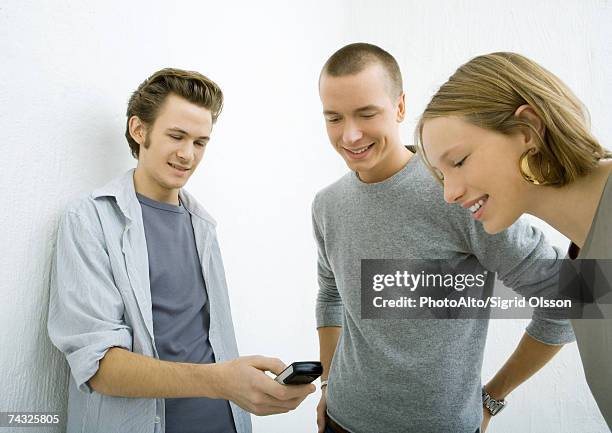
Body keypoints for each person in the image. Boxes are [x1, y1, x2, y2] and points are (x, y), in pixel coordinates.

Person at [313, 43, 576, 433]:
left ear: (400, 107)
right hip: (342, 419)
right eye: (334, 118)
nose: (350, 135)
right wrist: (329, 384)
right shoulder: (327, 205)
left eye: (367, 114)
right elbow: (331, 294)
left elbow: (573, 297)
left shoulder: (458, 191)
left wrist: (492, 396)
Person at [47, 68, 315, 433]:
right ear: (139, 130)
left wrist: (243, 387)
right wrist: (221, 381)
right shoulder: (89, 220)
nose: (188, 155)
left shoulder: (202, 225)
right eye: (177, 136)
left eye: (200, 142)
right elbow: (98, 367)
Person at [417, 51, 612, 429]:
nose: (449, 194)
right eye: (441, 176)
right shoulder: (578, 264)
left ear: (529, 131)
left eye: (457, 162)